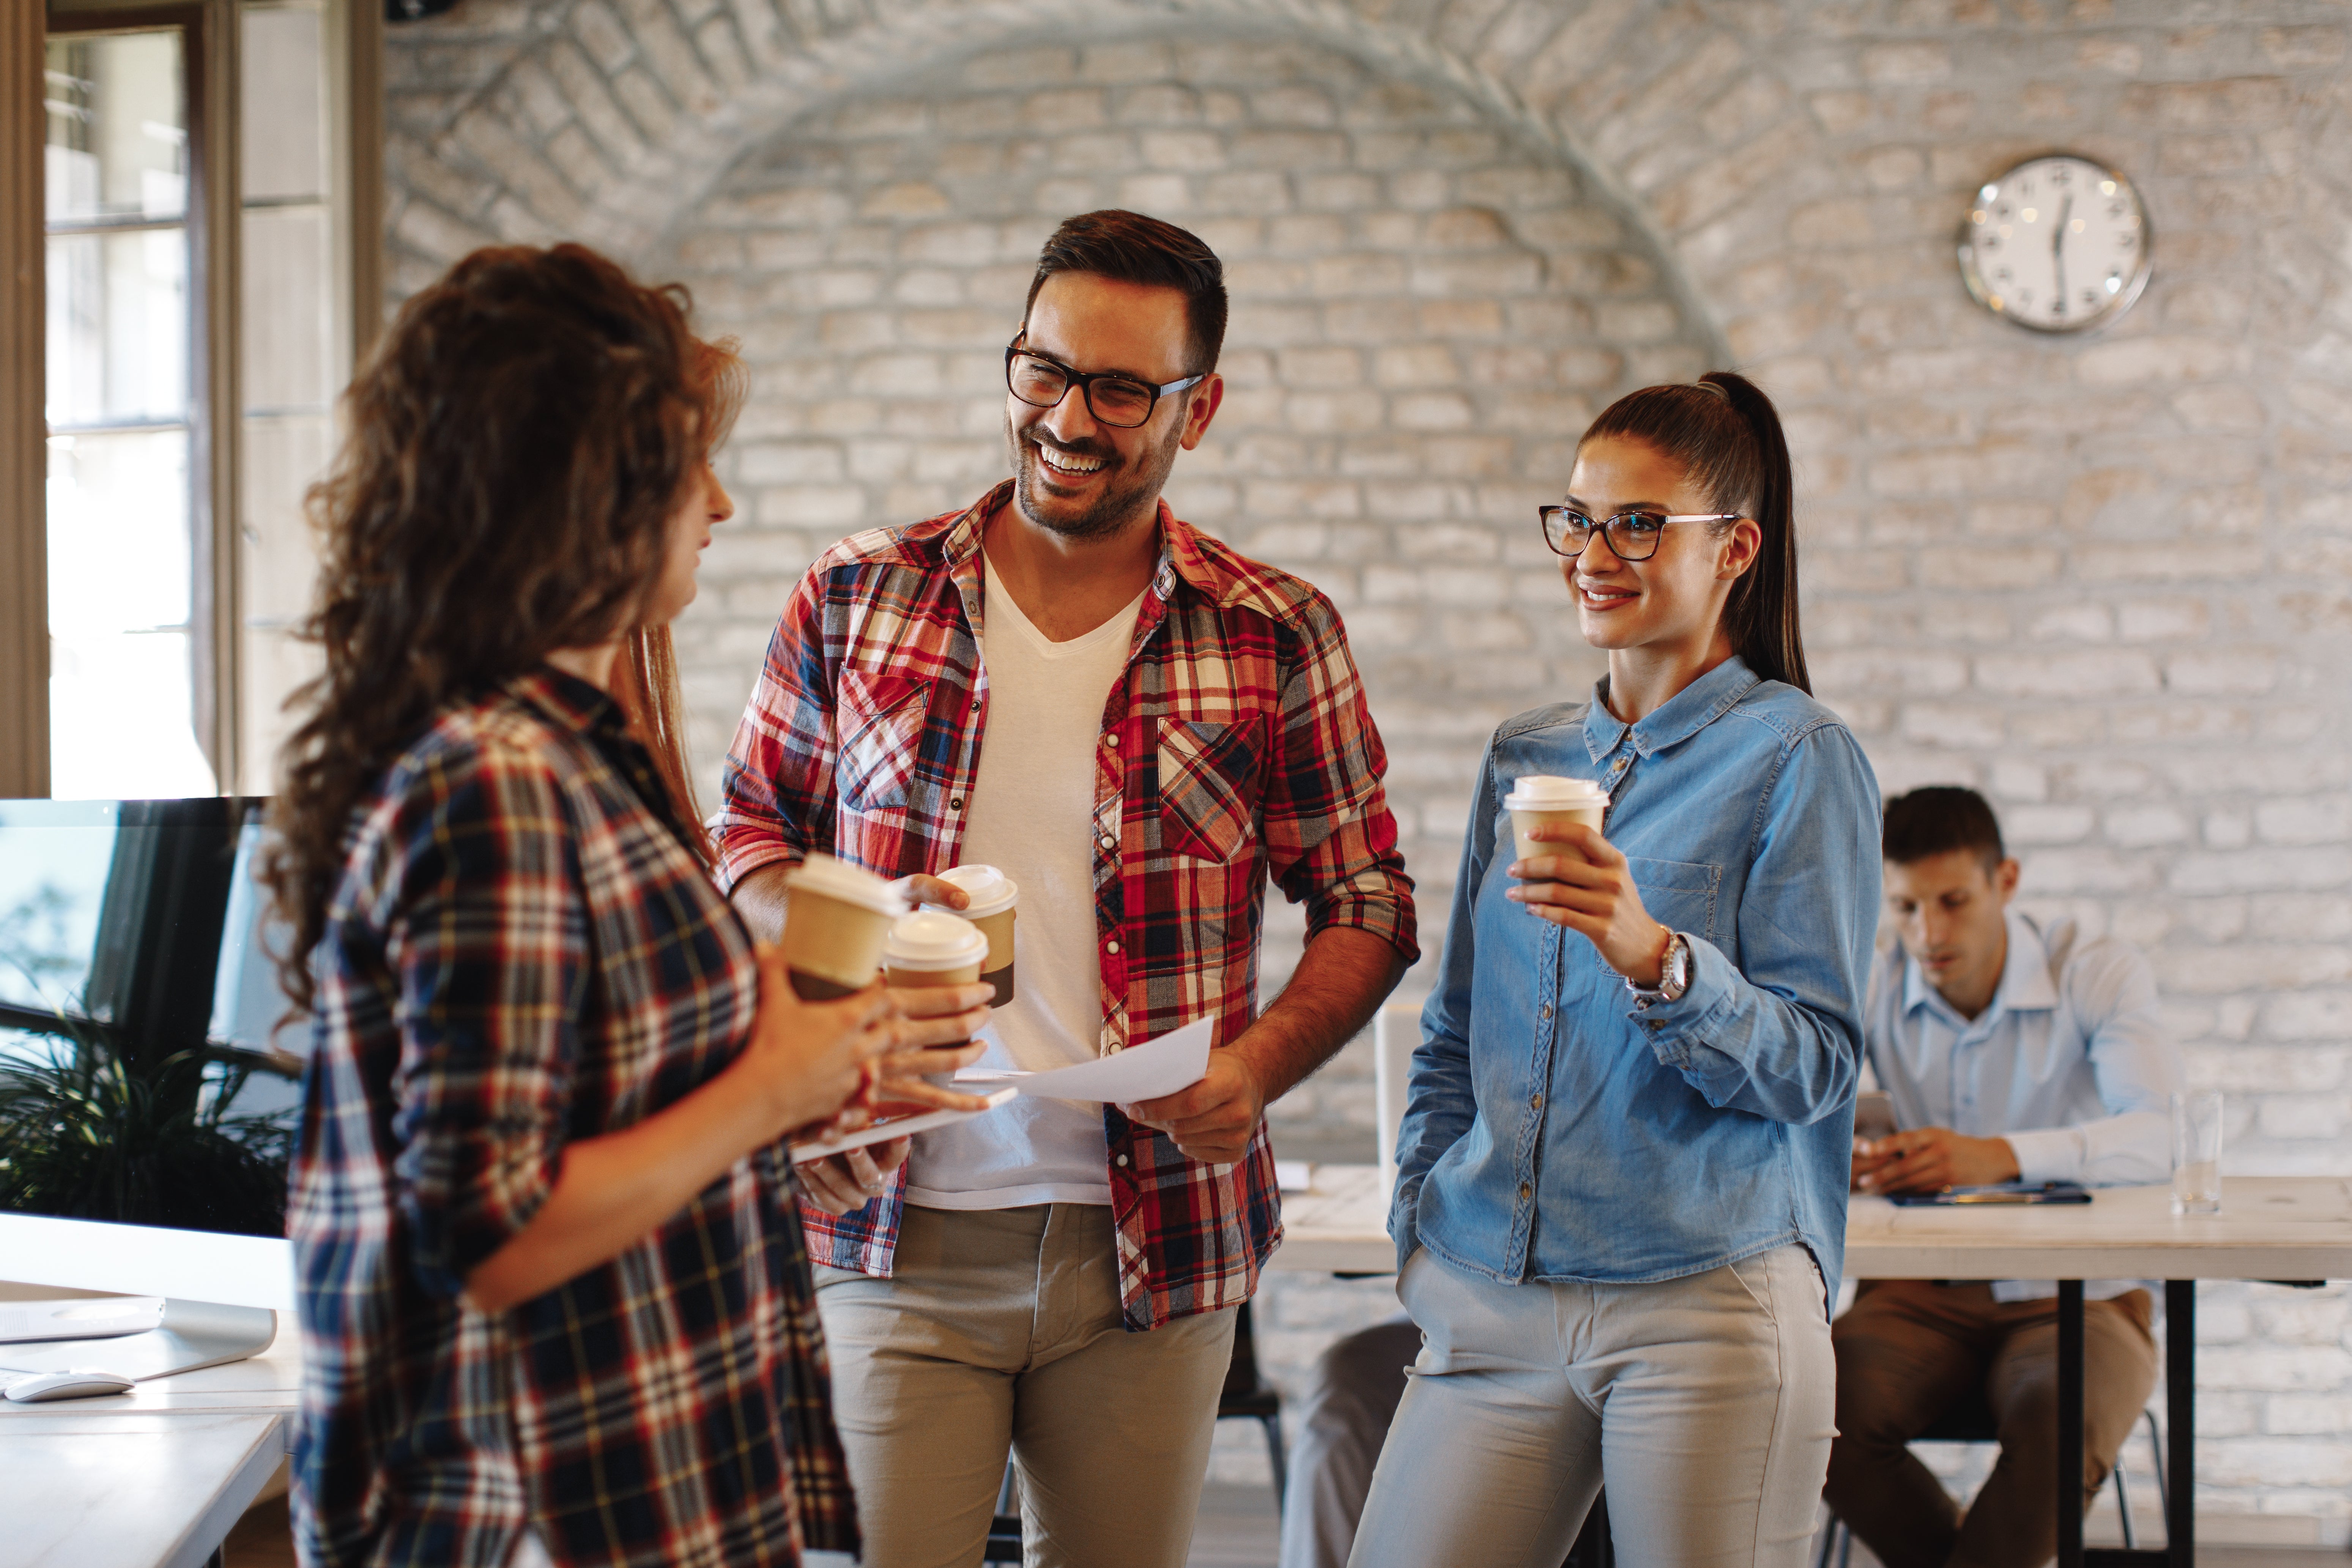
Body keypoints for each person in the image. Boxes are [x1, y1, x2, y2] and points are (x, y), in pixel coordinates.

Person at [265, 243, 993, 1568]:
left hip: (650, 1480)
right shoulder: (492, 783)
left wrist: (807, 1112)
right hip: (534, 1511)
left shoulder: (583, 760)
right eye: (680, 464)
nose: (716, 501)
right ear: (577, 489)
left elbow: (611, 1110)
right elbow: (486, 1230)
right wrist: (768, 1092)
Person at [715, 209, 1417, 1568]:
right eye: (1042, 370)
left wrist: (1258, 1067)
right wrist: (848, 928)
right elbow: (743, 833)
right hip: (882, 1220)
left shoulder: (1275, 633)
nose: (1068, 419)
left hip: (1149, 1247)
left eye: (1119, 389)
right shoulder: (855, 597)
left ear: (1195, 410)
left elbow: (1367, 897)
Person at [1351, 373, 1880, 1568]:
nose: (1593, 551)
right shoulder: (1524, 753)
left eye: (1638, 522)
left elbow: (1822, 1067)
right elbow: (1454, 1031)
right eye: (1578, 517)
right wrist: (1418, 1230)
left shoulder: (1798, 756)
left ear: (1733, 547)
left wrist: (1657, 958)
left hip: (1704, 1304)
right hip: (1491, 1292)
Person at [1824, 785, 2181, 1568]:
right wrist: (1845, 1156)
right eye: (1907, 906)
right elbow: (1814, 1108)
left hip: (2081, 1294)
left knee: (2060, 1413)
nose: (1930, 932)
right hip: (1918, 1293)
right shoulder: (1875, 978)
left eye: (1952, 900)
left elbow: (2158, 1136)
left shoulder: (2092, 969)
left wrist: (2001, 1154)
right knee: (1807, 1408)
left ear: (2006, 880)